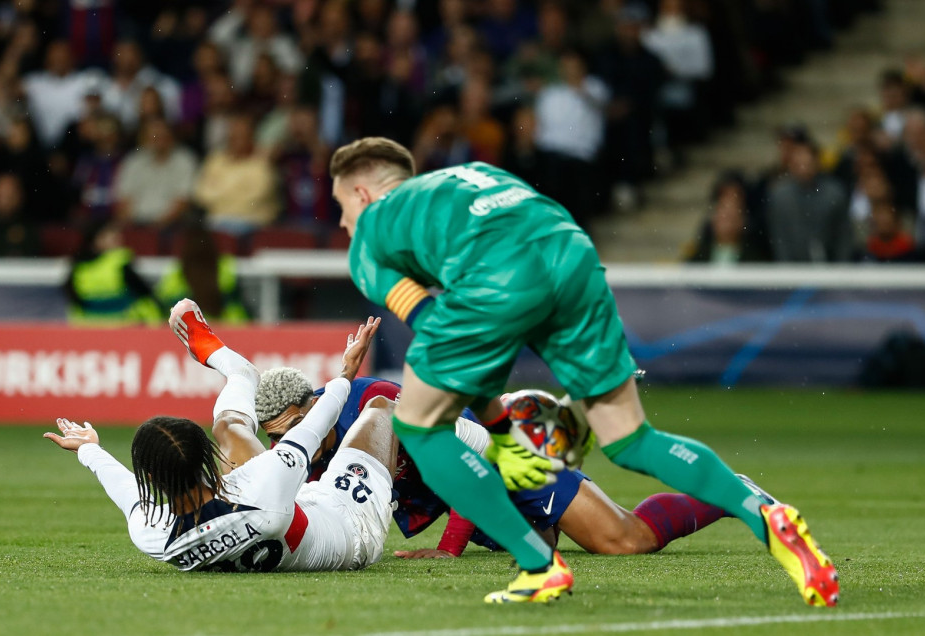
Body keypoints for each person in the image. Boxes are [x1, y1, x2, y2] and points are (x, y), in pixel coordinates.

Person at [329, 137, 838, 606]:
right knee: (632, 437)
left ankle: (538, 565)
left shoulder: (371, 237)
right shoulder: (476, 175)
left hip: (496, 274)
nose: (342, 223)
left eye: (342, 208)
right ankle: (761, 511)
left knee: (418, 422)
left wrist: (499, 428)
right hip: (572, 255)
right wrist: (501, 425)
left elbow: (436, 326)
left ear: (363, 192)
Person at [43, 302, 393, 573]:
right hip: (350, 529)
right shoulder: (265, 479)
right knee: (382, 406)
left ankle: (239, 370)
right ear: (207, 458)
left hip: (278, 513)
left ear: (151, 479)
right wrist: (347, 372)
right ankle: (242, 372)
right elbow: (315, 424)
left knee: (232, 432)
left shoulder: (153, 532)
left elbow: (128, 493)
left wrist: (90, 449)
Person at [255, 366, 742, 560]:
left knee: (624, 541)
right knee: (543, 544)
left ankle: (727, 492)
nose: (291, 444)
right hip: (480, 497)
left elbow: (471, 458)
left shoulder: (376, 405)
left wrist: (447, 551)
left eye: (291, 429)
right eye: (277, 439)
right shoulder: (310, 443)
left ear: (310, 407)